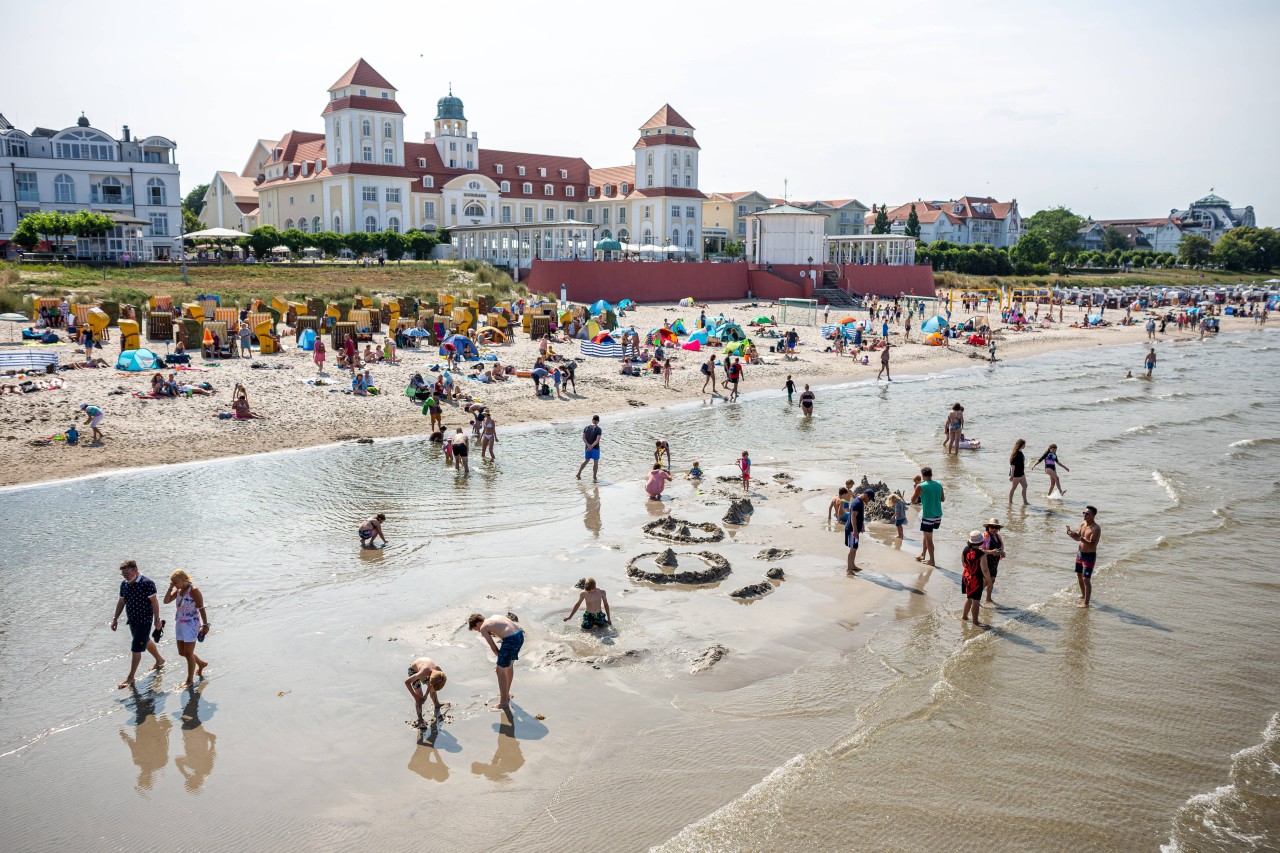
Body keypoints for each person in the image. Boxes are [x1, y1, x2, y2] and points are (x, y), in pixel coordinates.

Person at [111, 560, 165, 689]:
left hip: (144, 621)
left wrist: (157, 619)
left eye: (127, 574)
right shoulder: (124, 584)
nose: (125, 577)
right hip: (132, 620)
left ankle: (130, 677)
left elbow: (155, 603)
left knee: (136, 648)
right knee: (145, 640)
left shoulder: (147, 583)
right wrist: (115, 618)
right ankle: (159, 660)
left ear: (135, 570)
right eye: (123, 575)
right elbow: (121, 602)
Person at [468, 613, 523, 714]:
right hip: (519, 635)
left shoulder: (483, 627)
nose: (478, 631)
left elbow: (493, 647)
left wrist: (501, 661)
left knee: (499, 670)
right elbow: (504, 627)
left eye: (476, 629)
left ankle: (503, 703)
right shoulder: (494, 616)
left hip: (510, 640)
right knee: (509, 666)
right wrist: (503, 660)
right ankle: (506, 694)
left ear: (478, 623)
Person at [163, 570, 209, 688]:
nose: (174, 584)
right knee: (182, 652)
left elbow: (202, 607)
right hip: (179, 623)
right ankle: (200, 663)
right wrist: (170, 587)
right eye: (172, 582)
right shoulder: (178, 590)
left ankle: (190, 680)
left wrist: (205, 625)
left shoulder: (193, 590)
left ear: (184, 579)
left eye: (176, 582)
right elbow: (166, 601)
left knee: (188, 653)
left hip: (191, 624)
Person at [1067, 506, 1101, 607]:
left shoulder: (1096, 528)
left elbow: (1092, 544)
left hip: (1089, 556)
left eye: (1087, 514)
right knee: (1079, 575)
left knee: (1086, 579)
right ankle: (1083, 595)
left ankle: (1086, 604)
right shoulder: (1083, 524)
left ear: (1093, 515)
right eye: (1083, 513)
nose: (1084, 515)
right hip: (1080, 554)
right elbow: (1078, 538)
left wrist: (1081, 538)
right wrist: (1072, 534)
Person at [911, 467, 944, 566]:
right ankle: (923, 554)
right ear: (931, 474)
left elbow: (913, 500)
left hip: (928, 515)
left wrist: (920, 492)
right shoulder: (939, 485)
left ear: (922, 475)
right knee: (926, 535)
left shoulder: (920, 486)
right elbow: (942, 499)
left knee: (929, 538)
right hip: (938, 515)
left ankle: (932, 560)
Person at [404, 657, 448, 728]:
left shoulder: (440, 673)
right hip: (414, 670)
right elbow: (407, 682)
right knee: (419, 695)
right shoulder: (423, 672)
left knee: (432, 690)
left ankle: (437, 704)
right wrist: (415, 696)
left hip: (427, 668)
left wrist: (426, 695)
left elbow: (432, 683)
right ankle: (420, 720)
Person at [960, 531, 991, 626]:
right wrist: (989, 581)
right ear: (981, 542)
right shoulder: (981, 554)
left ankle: (964, 616)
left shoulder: (965, 549)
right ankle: (975, 621)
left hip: (966, 575)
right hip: (976, 579)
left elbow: (963, 562)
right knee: (976, 600)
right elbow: (985, 570)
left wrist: (967, 572)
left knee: (969, 598)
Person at [845, 488, 874, 574]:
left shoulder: (860, 501)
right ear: (866, 495)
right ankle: (849, 569)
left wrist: (862, 525)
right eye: (870, 499)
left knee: (855, 548)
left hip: (855, 529)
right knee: (852, 549)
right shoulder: (857, 503)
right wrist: (854, 530)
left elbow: (860, 516)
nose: (869, 501)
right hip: (851, 529)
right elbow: (853, 517)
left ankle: (852, 566)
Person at [981, 519, 1005, 603]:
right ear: (988, 527)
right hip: (986, 561)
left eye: (996, 527)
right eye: (992, 527)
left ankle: (988, 598)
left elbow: (1000, 549)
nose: (994, 529)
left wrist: (1002, 553)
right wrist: (991, 552)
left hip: (995, 562)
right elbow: (979, 550)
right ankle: (976, 598)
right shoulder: (984, 536)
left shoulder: (998, 537)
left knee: (992, 580)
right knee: (987, 581)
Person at [576, 415, 602, 481]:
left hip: (587, 447)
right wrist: (592, 446)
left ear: (592, 420)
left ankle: (579, 473)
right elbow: (597, 440)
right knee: (595, 462)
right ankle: (594, 477)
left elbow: (583, 437)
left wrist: (588, 445)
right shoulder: (598, 429)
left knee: (586, 460)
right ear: (598, 421)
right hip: (595, 448)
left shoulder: (586, 427)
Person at [1008, 438, 1029, 504]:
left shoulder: (1020, 452)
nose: (1025, 445)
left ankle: (1025, 502)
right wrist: (1012, 475)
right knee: (1013, 488)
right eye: (1024, 444)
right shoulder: (1016, 454)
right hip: (1016, 474)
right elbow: (1012, 465)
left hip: (1022, 473)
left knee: (1025, 486)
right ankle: (1010, 502)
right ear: (1021, 445)